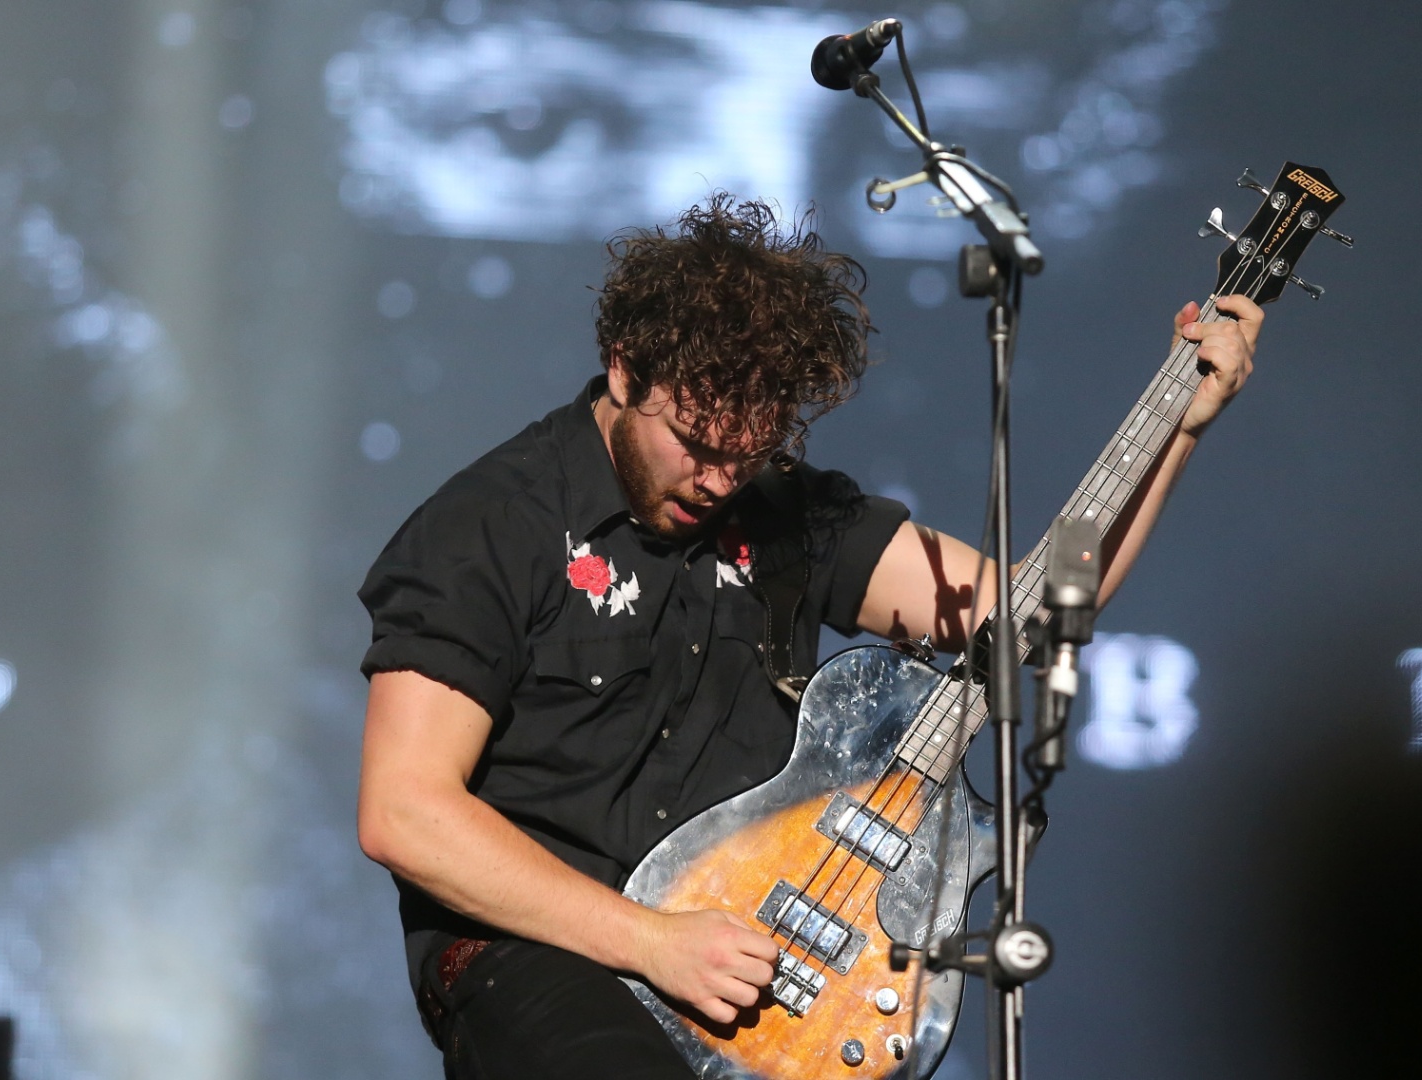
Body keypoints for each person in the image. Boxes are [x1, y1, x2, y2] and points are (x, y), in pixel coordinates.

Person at [355, 194, 1262, 1078]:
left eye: (745, 452)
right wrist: (652, 942)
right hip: (546, 953)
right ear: (625, 370)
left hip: (761, 966)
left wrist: (1173, 431)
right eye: (695, 444)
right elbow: (403, 813)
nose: (718, 479)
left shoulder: (784, 511)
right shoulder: (490, 526)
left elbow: (1025, 615)